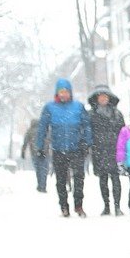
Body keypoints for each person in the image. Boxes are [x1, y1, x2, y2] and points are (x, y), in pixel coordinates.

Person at [36, 78, 92, 218]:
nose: (63, 94)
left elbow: (86, 125)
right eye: (61, 92)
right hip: (58, 149)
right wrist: (40, 146)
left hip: (76, 148)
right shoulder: (50, 108)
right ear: (57, 93)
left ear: (70, 92)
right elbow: (42, 127)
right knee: (60, 180)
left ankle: (78, 205)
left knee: (79, 178)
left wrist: (87, 142)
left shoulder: (78, 107)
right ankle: (64, 206)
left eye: (66, 91)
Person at [87, 85, 126, 216]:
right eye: (100, 96)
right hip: (99, 150)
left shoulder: (117, 114)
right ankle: (106, 206)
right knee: (103, 179)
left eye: (105, 96)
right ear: (96, 98)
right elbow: (88, 131)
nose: (103, 99)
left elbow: (123, 132)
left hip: (114, 150)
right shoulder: (91, 115)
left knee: (116, 179)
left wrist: (122, 148)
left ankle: (117, 206)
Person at [21, 118, 49, 193]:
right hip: (45, 153)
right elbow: (50, 140)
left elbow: (25, 142)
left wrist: (23, 152)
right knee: (44, 170)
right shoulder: (44, 130)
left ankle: (40, 185)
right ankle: (43, 186)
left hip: (34, 153)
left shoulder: (30, 131)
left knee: (38, 170)